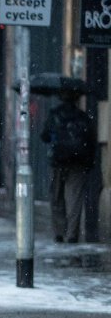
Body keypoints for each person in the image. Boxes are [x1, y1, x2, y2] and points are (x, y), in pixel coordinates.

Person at [40, 91, 97, 243]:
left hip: (58, 162)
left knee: (57, 197)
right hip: (78, 163)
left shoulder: (55, 114)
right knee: (75, 198)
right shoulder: (83, 117)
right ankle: (72, 234)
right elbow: (91, 140)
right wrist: (89, 162)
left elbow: (44, 136)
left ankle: (59, 232)